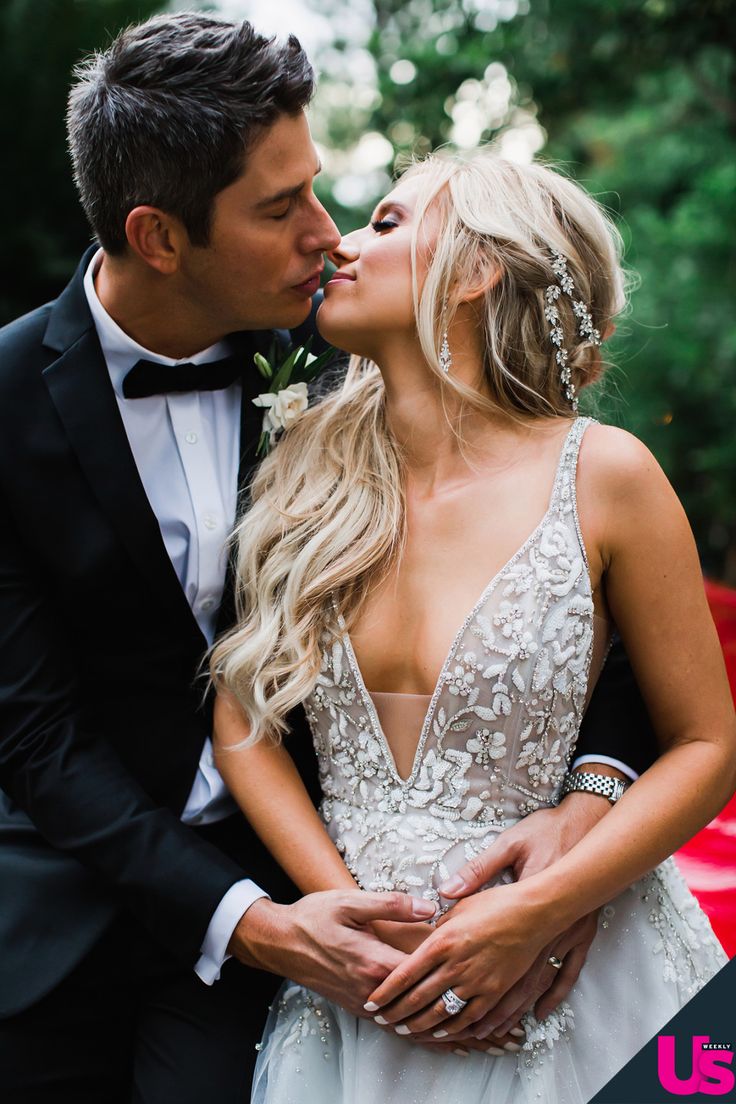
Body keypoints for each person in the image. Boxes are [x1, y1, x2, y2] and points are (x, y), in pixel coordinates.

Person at [0, 11, 660, 1103]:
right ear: (159, 236)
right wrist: (251, 924)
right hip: (62, 907)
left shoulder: (361, 350)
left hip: (344, 912)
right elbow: (33, 729)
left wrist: (584, 824)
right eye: (280, 206)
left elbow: (586, 603)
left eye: (319, 188)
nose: (327, 232)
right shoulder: (9, 399)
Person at [209, 149, 736, 1104]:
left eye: (388, 223)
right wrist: (342, 918)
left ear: (475, 268)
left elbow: (708, 745)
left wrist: (534, 912)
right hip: (357, 987)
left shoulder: (606, 475)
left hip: (581, 981)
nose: (341, 244)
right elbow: (243, 724)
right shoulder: (300, 480)